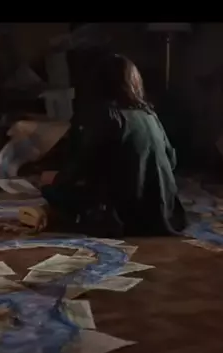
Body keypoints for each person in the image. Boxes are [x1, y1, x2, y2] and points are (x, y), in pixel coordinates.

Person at [19, 53, 186, 237]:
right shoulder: (150, 115)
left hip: (125, 216)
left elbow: (83, 165)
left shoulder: (108, 115)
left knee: (52, 190)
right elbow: (171, 160)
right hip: (163, 211)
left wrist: (55, 181)